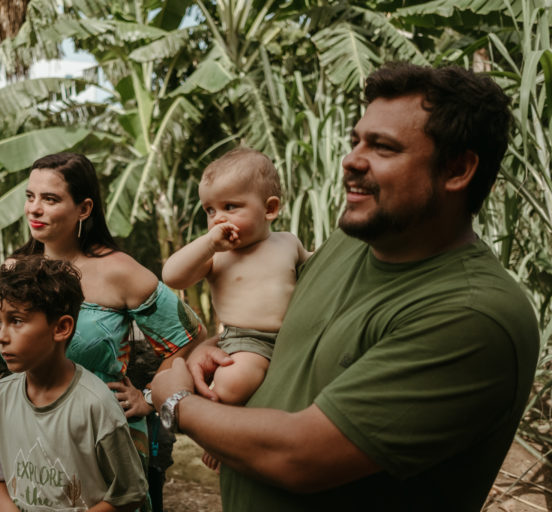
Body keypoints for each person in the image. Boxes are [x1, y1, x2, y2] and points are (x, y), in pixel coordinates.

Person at [151, 63, 540, 511]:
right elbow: (288, 331)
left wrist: (176, 403)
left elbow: (303, 457)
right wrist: (214, 348)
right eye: (357, 141)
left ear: (457, 169)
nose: (351, 160)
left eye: (383, 147)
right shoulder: (353, 241)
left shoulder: (469, 315)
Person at [0, 152, 204, 510]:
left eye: (50, 199)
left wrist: (147, 397)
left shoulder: (119, 271)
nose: (34, 209)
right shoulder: (15, 271)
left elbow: (190, 337)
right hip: (25, 434)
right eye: (30, 196)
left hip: (99, 437)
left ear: (84, 208)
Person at [0, 255, 146, 511]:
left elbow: (131, 493)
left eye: (16, 321)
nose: (1, 336)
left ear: (61, 328)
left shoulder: (96, 405)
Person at [162, 147, 311, 406]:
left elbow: (315, 266)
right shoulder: (217, 256)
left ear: (270, 209)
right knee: (234, 383)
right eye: (210, 210)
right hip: (246, 341)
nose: (218, 218)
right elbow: (172, 276)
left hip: (296, 337)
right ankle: (219, 415)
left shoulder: (288, 242)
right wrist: (209, 243)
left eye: (229, 207)